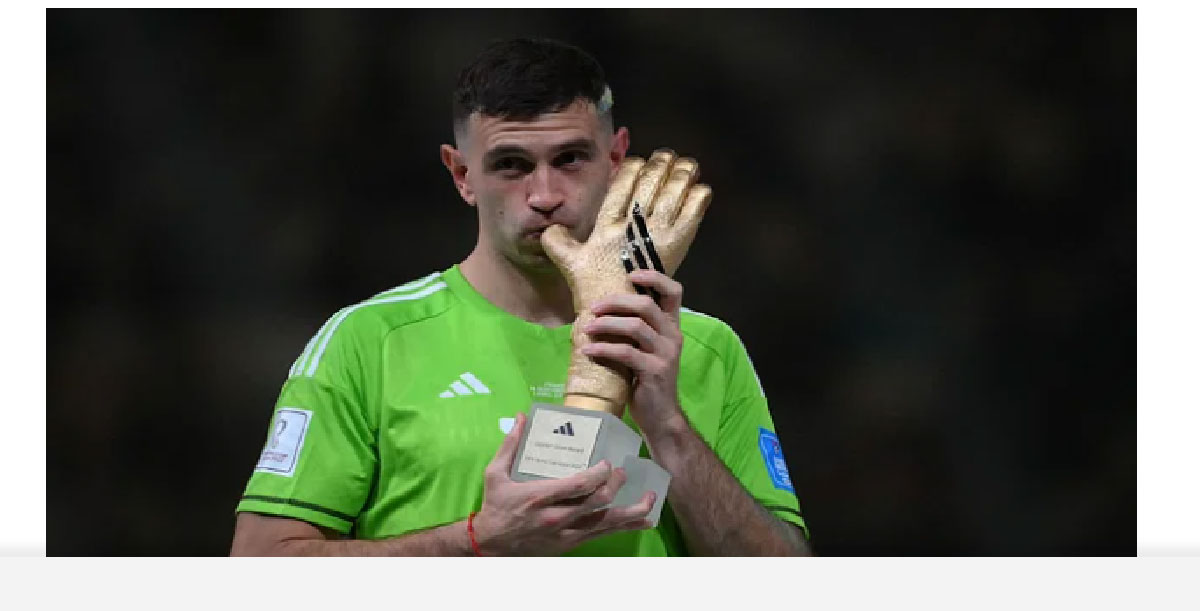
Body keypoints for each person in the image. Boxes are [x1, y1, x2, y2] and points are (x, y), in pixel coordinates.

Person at [229, 37, 811, 556]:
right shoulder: (369, 341)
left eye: (570, 159)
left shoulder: (704, 348)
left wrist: (668, 429)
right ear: (461, 174)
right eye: (511, 165)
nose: (545, 195)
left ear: (615, 159)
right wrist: (479, 540)